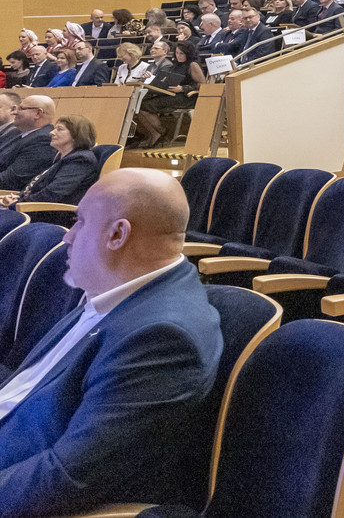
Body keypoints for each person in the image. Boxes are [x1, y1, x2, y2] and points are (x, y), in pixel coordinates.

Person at [0, 168, 224, 516]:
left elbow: (68, 476)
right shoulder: (121, 289)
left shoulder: (164, 337)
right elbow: (30, 387)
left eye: (80, 222)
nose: (68, 236)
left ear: (118, 234)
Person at [1, 114, 100, 208]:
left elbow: (53, 193)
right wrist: (18, 197)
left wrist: (17, 204)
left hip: (44, 212)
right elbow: (37, 186)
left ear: (77, 135)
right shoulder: (62, 157)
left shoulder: (81, 160)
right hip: (29, 206)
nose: (51, 132)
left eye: (59, 129)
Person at [0, 96, 58, 192]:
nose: (15, 112)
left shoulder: (43, 140)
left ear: (38, 114)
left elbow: (12, 179)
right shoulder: (19, 133)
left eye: (21, 108)